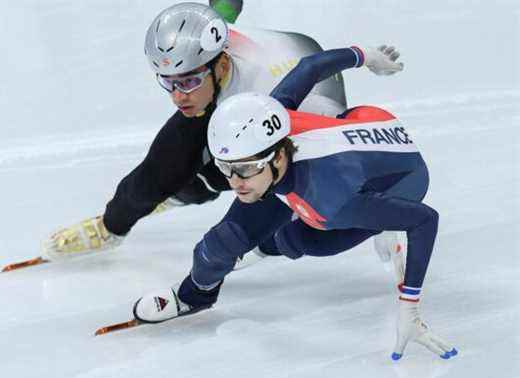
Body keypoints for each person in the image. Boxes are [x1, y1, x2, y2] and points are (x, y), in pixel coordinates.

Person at [132, 45, 458, 361]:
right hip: (348, 136)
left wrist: (409, 306)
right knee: (223, 241)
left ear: (275, 157)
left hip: (403, 182)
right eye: (224, 168)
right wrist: (365, 55)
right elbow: (309, 67)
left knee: (305, 240)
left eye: (243, 169)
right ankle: (195, 296)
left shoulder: (331, 201)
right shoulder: (273, 117)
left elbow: (425, 220)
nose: (234, 183)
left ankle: (381, 221)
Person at [40, 2, 390, 266]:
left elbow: (344, 151)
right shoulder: (209, 39)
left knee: (239, 177)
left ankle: (186, 192)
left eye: (188, 81)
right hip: (225, 95)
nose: (178, 96)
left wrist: (378, 215)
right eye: (169, 83)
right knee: (156, 174)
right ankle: (111, 227)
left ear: (221, 64)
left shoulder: (292, 102)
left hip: (289, 110)